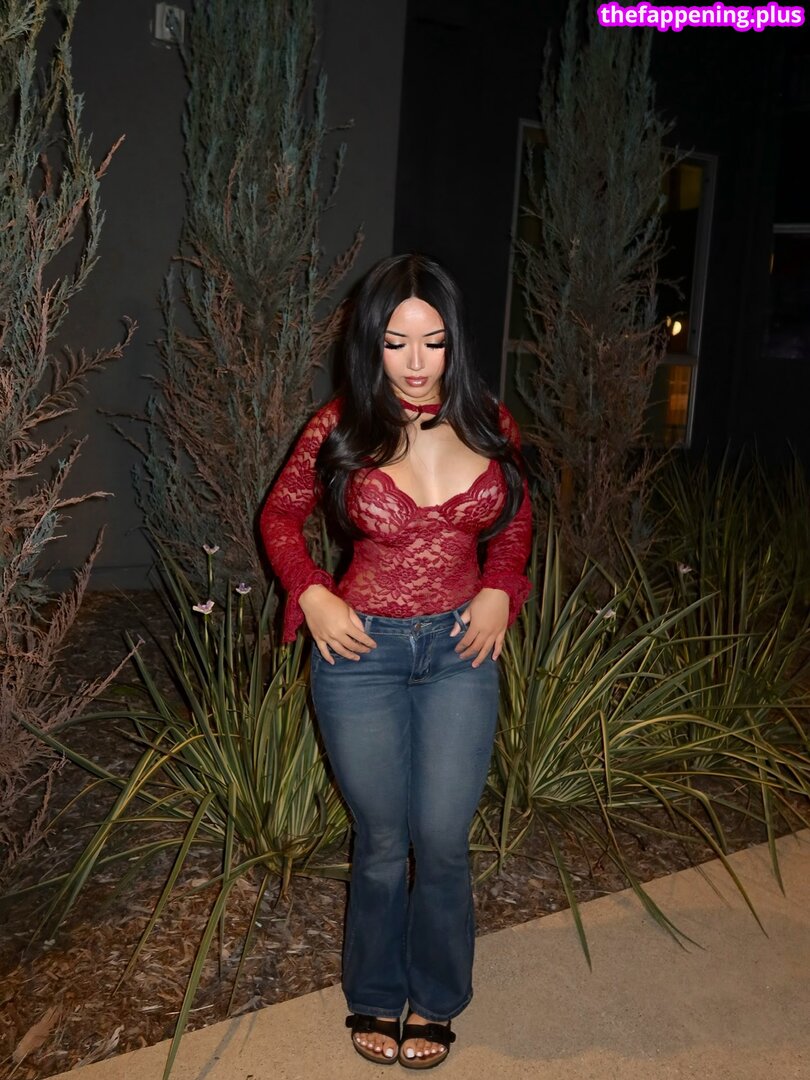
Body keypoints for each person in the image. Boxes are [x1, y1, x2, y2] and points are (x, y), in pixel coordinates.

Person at [260, 253, 532, 1069]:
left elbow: (514, 525)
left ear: (455, 343)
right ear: (370, 342)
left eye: (434, 341)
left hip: (459, 651)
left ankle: (437, 1000)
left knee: (442, 838)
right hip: (361, 655)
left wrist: (501, 588)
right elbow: (279, 518)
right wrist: (312, 591)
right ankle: (376, 993)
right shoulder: (340, 426)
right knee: (381, 840)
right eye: (396, 342)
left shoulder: (490, 421)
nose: (416, 362)